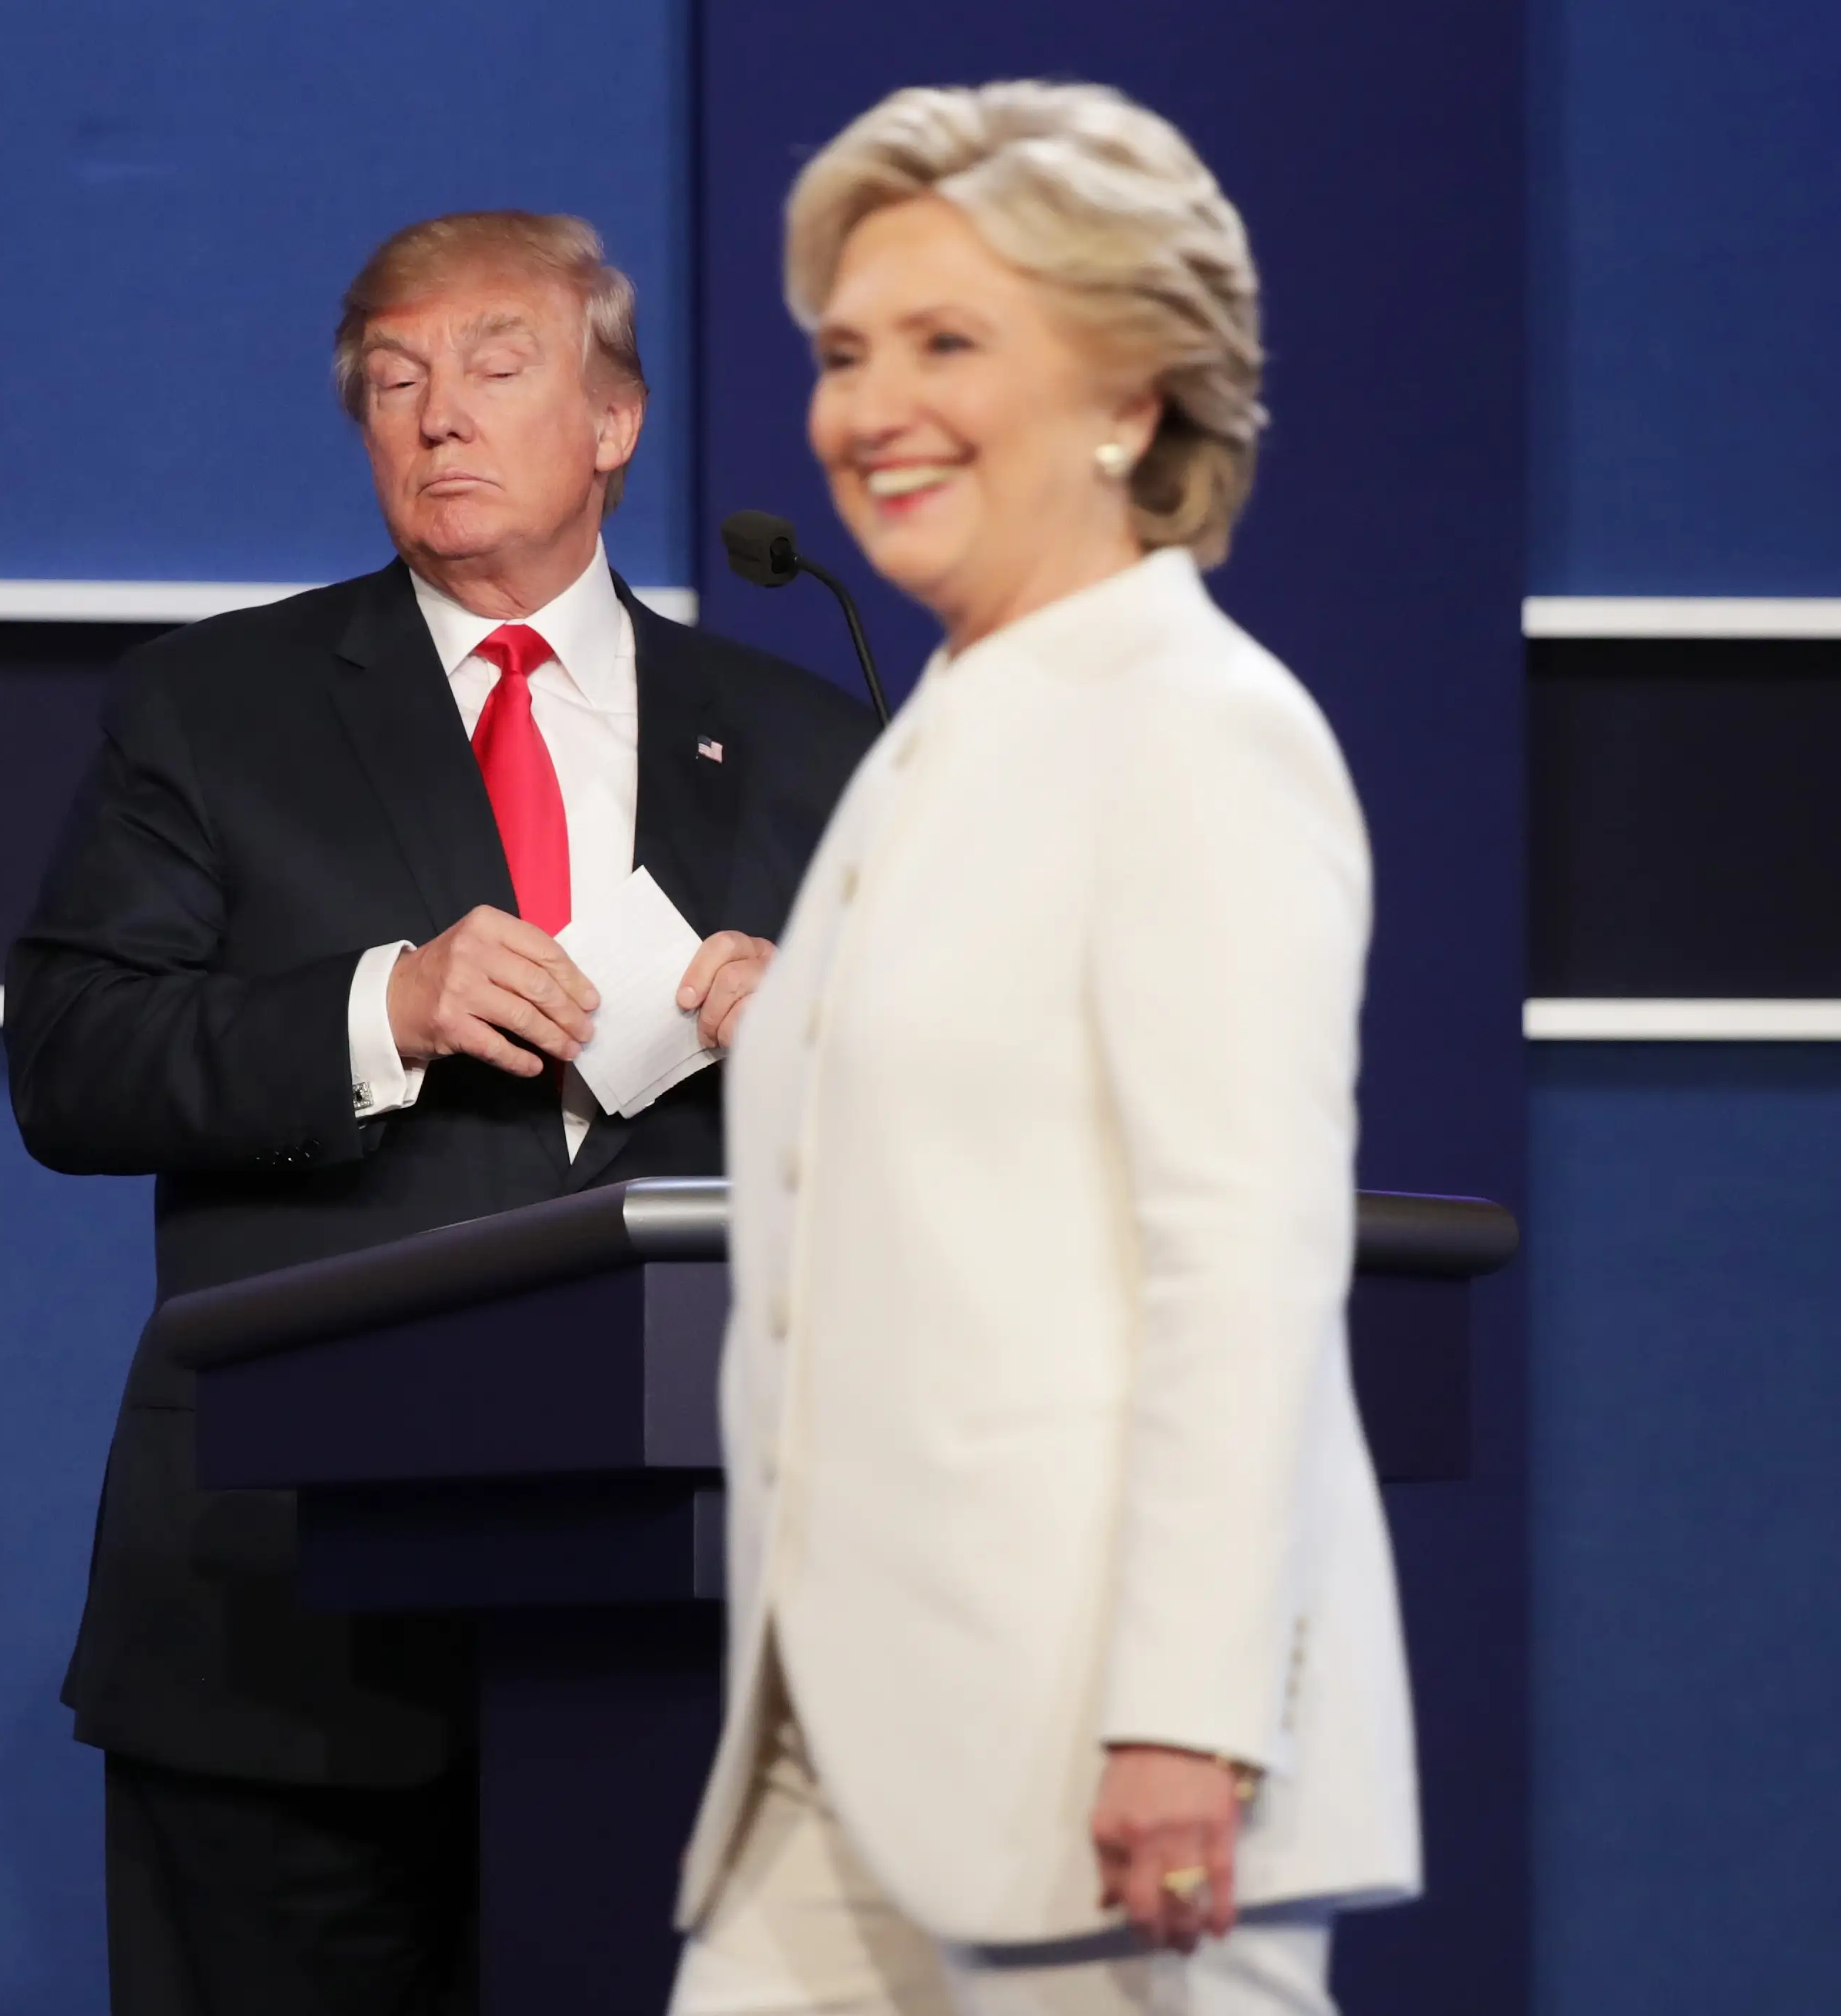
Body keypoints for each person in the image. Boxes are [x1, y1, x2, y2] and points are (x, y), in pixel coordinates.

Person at [9, 211, 880, 2015]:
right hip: (286, 1609)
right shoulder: (214, 706)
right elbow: (73, 1058)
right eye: (394, 384)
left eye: (495, 365)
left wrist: (841, 1042)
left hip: (683, 1629)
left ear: (617, 418)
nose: (437, 417)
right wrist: (375, 1007)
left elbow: (967, 1147)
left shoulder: (807, 737)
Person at [669, 84, 1418, 2016]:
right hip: (832, 1757)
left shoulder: (1188, 728)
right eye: (843, 354)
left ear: (1131, 395)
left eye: (946, 344)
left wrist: (1180, 1717)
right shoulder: (938, 731)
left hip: (1101, 1776)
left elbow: (1236, 1263)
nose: (867, 408)